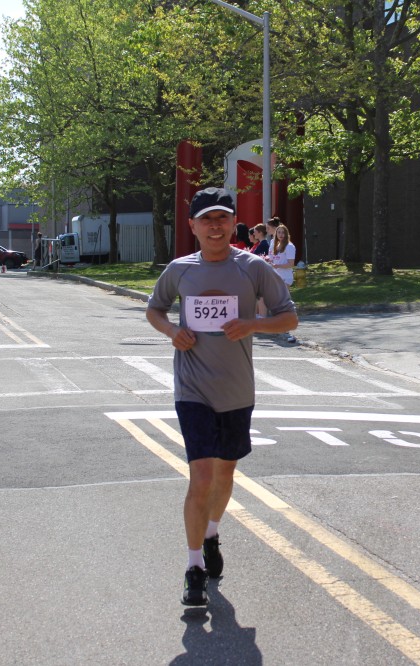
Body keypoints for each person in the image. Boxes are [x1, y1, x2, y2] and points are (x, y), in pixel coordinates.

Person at [146, 187, 298, 606]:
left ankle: (211, 534)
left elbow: (289, 317)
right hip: (192, 388)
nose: (214, 226)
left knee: (225, 473)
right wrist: (172, 331)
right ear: (192, 226)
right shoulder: (180, 269)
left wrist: (253, 325)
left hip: (236, 389)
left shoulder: (253, 267)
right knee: (202, 477)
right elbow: (155, 309)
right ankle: (194, 566)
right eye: (206, 219)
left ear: (233, 224)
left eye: (222, 218)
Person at [268, 223, 296, 287]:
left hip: (286, 277)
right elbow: (273, 260)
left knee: (282, 293)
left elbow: (291, 264)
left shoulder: (289, 246)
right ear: (276, 234)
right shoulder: (276, 245)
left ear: (286, 234)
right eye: (279, 232)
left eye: (283, 232)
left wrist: (277, 266)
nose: (281, 234)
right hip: (276, 276)